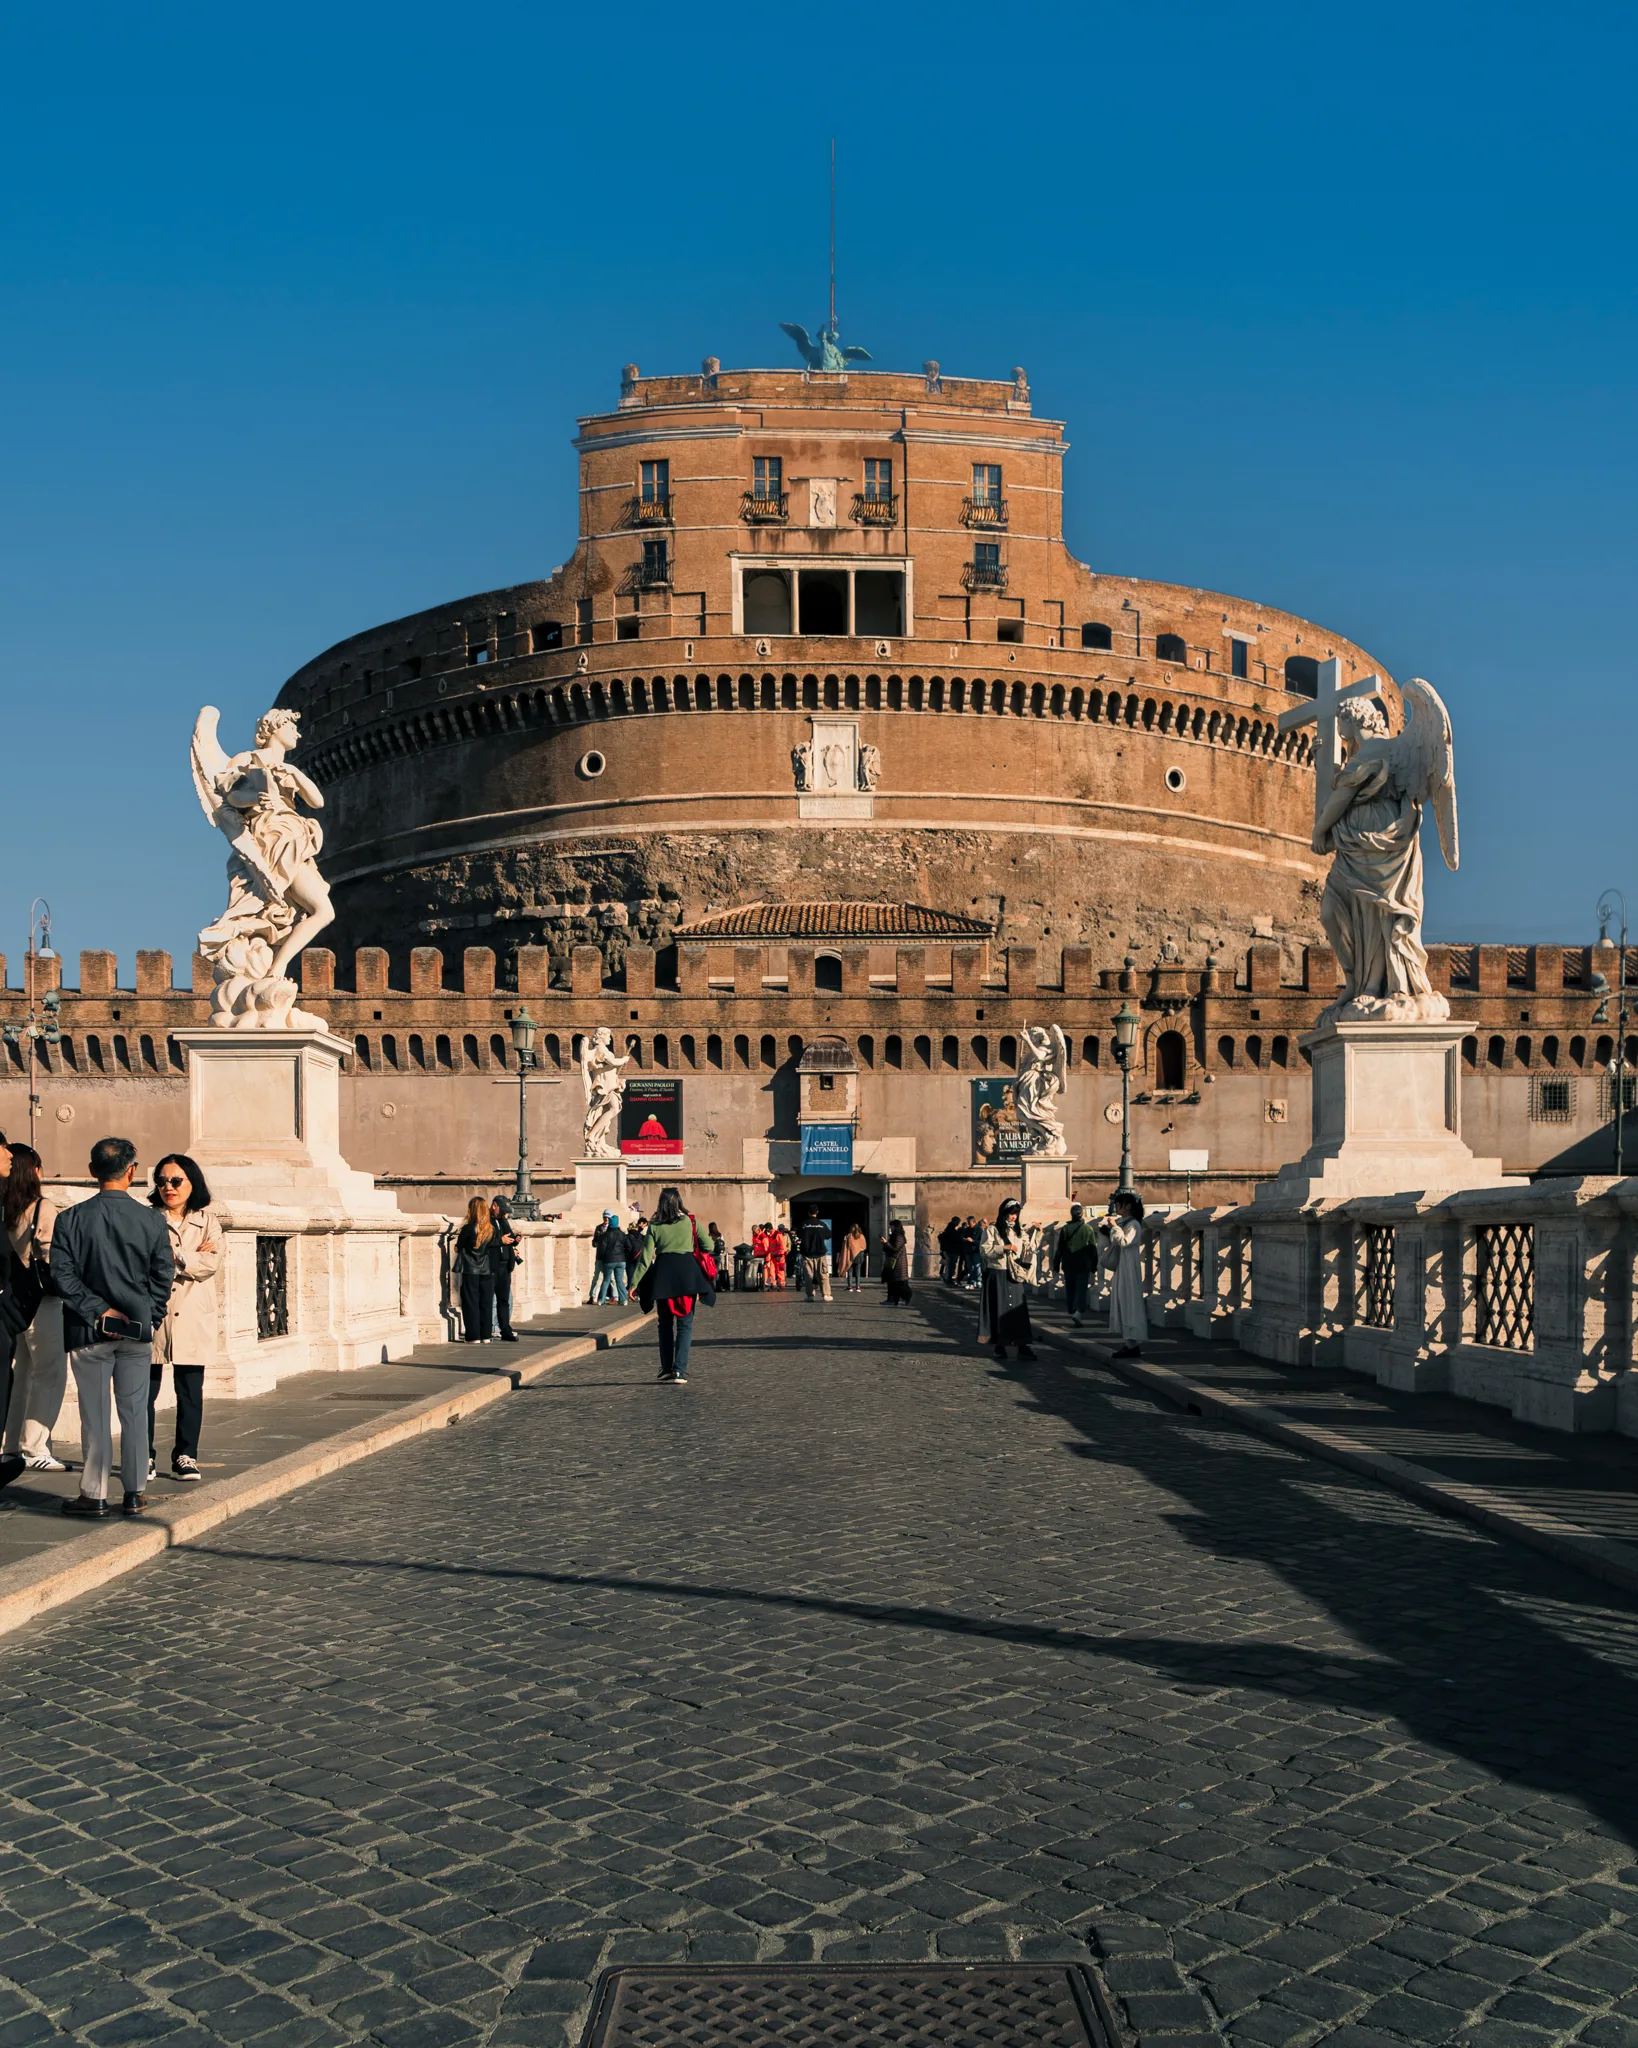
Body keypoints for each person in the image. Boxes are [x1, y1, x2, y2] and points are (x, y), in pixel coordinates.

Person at [50, 1137, 174, 1517]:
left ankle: (95, 1492)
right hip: (136, 1326)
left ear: (92, 1171)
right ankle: (135, 1491)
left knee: (95, 1413)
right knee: (135, 1410)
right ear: (132, 1171)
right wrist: (150, 1315)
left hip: (89, 1330)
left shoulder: (70, 1218)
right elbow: (162, 1273)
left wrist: (97, 1311)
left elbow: (62, 1275)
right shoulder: (152, 1219)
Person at [146, 1153, 221, 1483]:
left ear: (192, 1183)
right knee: (143, 1390)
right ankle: (143, 1454)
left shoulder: (207, 1221)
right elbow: (140, 1262)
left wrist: (173, 1256)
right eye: (161, 1181)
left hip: (192, 1315)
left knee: (190, 1390)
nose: (168, 1187)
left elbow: (212, 1263)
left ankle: (185, 1455)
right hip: (153, 1313)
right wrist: (191, 1258)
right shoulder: (147, 1218)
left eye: (176, 1181)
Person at [2, 1144, 68, 1473]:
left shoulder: (6, 1208)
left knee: (23, 1374)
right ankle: (36, 1446)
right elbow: (50, 1253)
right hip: (44, 1301)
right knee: (50, 1373)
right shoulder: (41, 1207)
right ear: (35, 1172)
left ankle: (12, 1445)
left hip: (15, 1302)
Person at [630, 1186, 715, 1383]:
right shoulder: (690, 1220)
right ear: (679, 1202)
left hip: (663, 1275)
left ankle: (666, 1368)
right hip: (687, 1273)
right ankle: (679, 1370)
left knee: (665, 1324)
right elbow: (709, 1246)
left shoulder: (654, 1224)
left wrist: (634, 1283)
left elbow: (645, 1258)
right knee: (685, 1324)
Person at [977, 1198, 1036, 1363]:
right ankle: (999, 1345)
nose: (1013, 1217)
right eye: (1011, 1214)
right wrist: (1003, 1248)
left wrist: (1037, 1233)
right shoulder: (992, 1230)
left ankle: (1022, 1344)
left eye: (1016, 1214)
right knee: (999, 1310)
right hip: (997, 1274)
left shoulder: (1019, 1231)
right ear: (1004, 1213)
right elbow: (984, 1250)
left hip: (1014, 1274)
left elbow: (1028, 1247)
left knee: (1018, 1310)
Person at [1104, 1190, 1150, 1357]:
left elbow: (1125, 1242)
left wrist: (1115, 1228)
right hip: (1123, 1267)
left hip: (1129, 1267)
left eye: (1119, 1204)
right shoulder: (1125, 1223)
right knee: (1123, 1301)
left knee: (1129, 1300)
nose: (1116, 1207)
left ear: (1128, 1206)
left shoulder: (1134, 1225)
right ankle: (1129, 1342)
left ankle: (1133, 1343)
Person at [454, 1196, 502, 1342]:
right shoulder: (490, 1229)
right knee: (486, 1303)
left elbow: (460, 1245)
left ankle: (473, 1335)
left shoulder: (468, 1228)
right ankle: (486, 1335)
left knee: (471, 1303)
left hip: (470, 1269)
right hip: (486, 1269)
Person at [1054, 1203, 1099, 1325]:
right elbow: (1093, 1248)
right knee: (1081, 1288)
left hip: (1068, 1262)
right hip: (1083, 1263)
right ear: (1082, 1214)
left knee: (1070, 1287)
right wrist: (1094, 1264)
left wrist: (1056, 1263)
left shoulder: (1065, 1229)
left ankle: (1072, 1308)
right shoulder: (1088, 1229)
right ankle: (1078, 1311)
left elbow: (1060, 1248)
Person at [489, 1196, 521, 1341]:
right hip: (492, 1264)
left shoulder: (503, 1221)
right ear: (494, 1206)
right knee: (492, 1300)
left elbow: (510, 1238)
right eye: (503, 1210)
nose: (504, 1214)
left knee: (504, 1300)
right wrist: (499, 1241)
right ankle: (492, 1328)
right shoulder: (487, 1221)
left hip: (505, 1265)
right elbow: (483, 1240)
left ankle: (505, 1329)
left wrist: (516, 1239)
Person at [589, 1209, 630, 1305]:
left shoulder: (606, 1234)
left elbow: (602, 1248)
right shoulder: (622, 1234)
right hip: (620, 1260)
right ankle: (623, 1299)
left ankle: (602, 1299)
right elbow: (628, 1246)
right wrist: (624, 1256)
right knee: (618, 1280)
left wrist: (604, 1257)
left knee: (607, 1279)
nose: (606, 1219)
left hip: (608, 1260)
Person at [797, 1209, 832, 1302]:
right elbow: (829, 1235)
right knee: (823, 1274)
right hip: (820, 1253)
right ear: (817, 1212)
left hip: (807, 1253)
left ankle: (810, 1295)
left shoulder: (803, 1225)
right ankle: (826, 1294)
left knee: (808, 1276)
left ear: (808, 1212)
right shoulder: (822, 1224)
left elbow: (798, 1234)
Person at [881, 1219, 912, 1306]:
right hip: (892, 1262)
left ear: (895, 1226)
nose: (890, 1227)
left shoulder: (899, 1237)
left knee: (900, 1283)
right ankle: (891, 1299)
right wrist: (884, 1244)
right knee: (891, 1282)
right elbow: (888, 1249)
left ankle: (906, 1296)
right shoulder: (894, 1236)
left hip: (898, 1263)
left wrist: (886, 1243)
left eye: (891, 1225)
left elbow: (895, 1249)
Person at [841, 1220, 869, 1293]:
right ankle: (858, 1287)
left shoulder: (849, 1236)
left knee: (850, 1271)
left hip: (850, 1256)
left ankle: (850, 1286)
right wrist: (859, 1249)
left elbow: (846, 1247)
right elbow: (864, 1246)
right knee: (858, 1271)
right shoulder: (862, 1236)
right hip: (859, 1255)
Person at [708, 1220, 730, 1291]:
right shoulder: (720, 1235)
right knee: (716, 1270)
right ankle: (718, 1286)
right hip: (719, 1256)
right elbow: (723, 1245)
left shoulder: (709, 1236)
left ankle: (713, 1287)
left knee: (712, 1271)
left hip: (711, 1255)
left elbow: (708, 1246)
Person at [767, 1221, 789, 1292]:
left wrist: (780, 1254)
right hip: (773, 1256)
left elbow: (782, 1246)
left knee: (779, 1270)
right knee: (772, 1271)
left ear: (768, 1228)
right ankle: (773, 1283)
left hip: (779, 1256)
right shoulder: (771, 1235)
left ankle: (781, 1284)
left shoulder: (777, 1234)